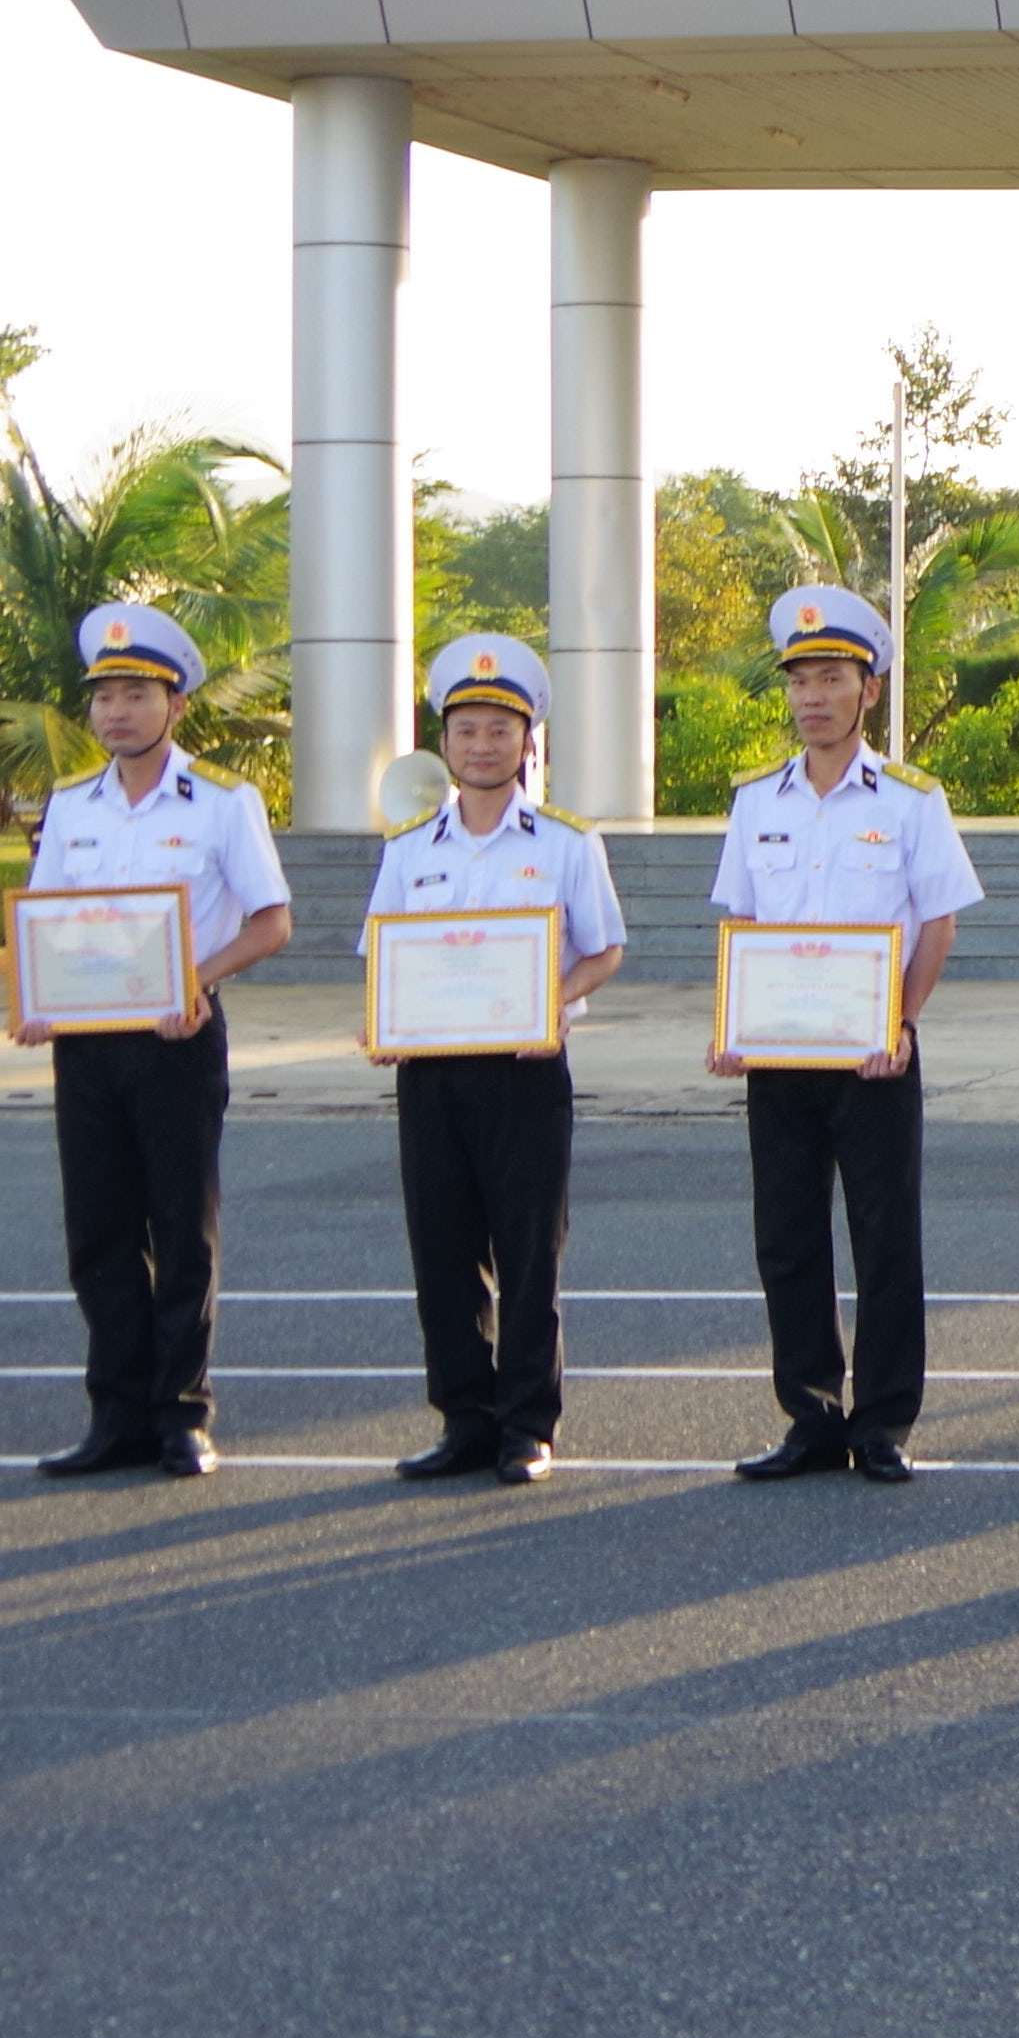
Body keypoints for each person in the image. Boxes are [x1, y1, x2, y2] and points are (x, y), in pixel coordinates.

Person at [708, 581, 984, 1482]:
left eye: (832, 677)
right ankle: (811, 1415)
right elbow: (742, 927)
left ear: (869, 689)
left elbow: (937, 921)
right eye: (799, 680)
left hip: (875, 1054)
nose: (812, 696)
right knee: (786, 1237)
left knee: (883, 1236)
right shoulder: (758, 802)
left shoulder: (909, 799)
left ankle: (884, 1421)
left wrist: (901, 1019)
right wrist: (733, 1026)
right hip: (780, 1058)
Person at [15, 600, 293, 1480]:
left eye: (135, 694)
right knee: (97, 1231)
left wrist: (196, 978)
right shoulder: (70, 808)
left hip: (179, 1039)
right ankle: (114, 1414)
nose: (114, 712)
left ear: (176, 705)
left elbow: (272, 921)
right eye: (102, 697)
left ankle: (181, 1412)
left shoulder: (220, 803)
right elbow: (50, 922)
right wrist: (35, 998)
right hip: (87, 1048)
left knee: (182, 1229)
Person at [357, 635, 629, 1484]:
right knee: (441, 1252)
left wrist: (552, 1002)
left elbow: (605, 949)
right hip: (431, 1073)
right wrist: (385, 1021)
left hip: (526, 1069)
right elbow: (381, 953)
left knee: (526, 1252)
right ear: (444, 741)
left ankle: (526, 1424)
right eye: (466, 729)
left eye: (498, 730)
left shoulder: (565, 842)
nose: (482, 745)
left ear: (528, 742)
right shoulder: (409, 848)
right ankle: (462, 1418)